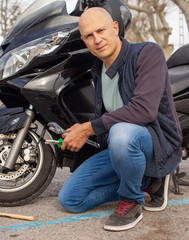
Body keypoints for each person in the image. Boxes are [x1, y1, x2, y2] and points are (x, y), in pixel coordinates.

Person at [58, 7, 182, 232]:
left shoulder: (147, 53)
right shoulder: (98, 70)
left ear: (115, 28)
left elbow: (144, 111)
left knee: (121, 132)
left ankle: (132, 200)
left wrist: (88, 129)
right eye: (89, 35)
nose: (97, 39)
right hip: (122, 147)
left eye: (101, 30)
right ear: (85, 41)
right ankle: (147, 182)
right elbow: (107, 118)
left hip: (157, 145)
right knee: (71, 199)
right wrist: (80, 131)